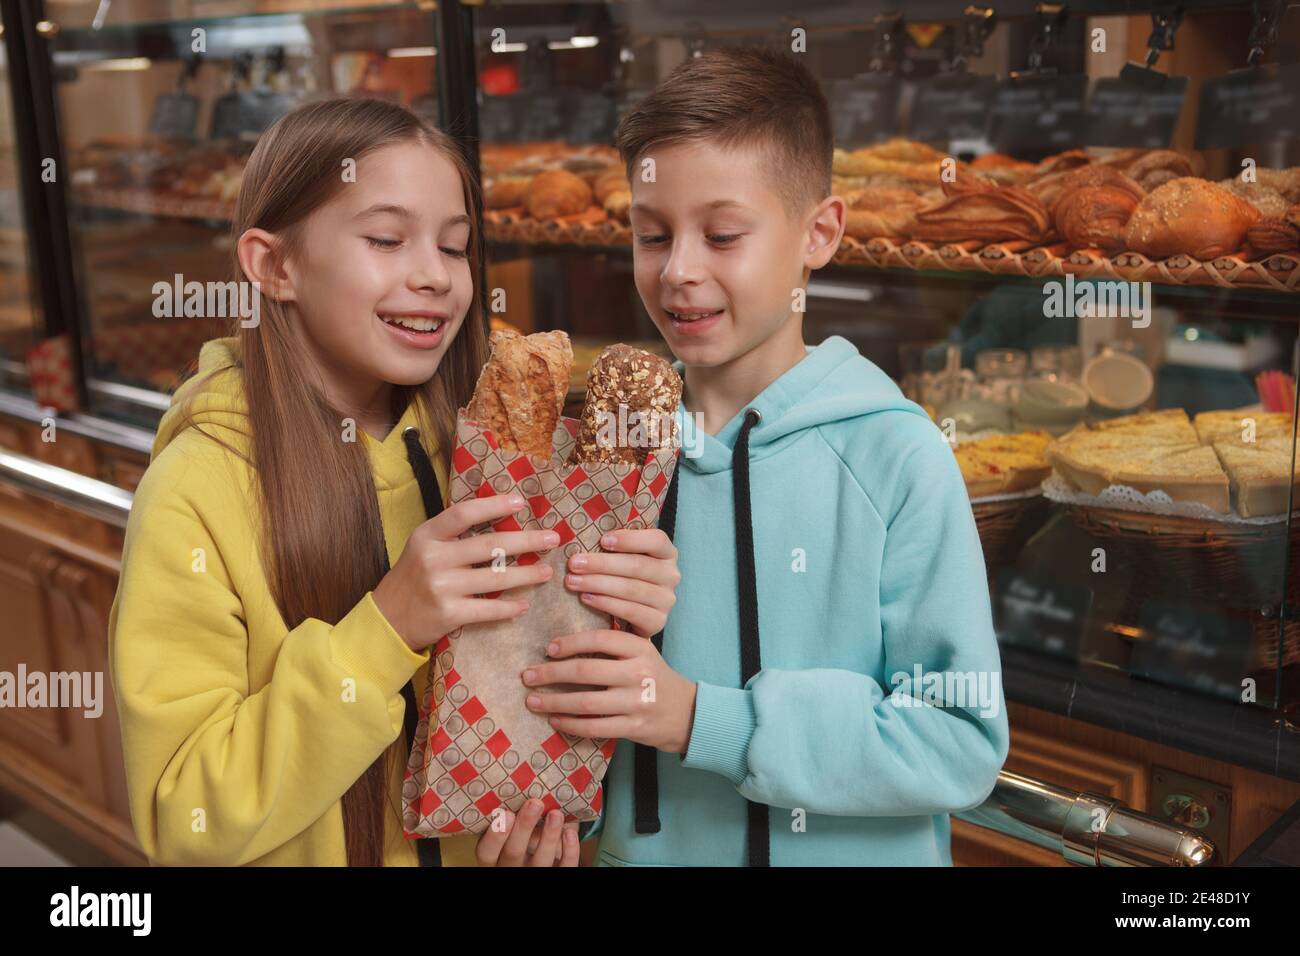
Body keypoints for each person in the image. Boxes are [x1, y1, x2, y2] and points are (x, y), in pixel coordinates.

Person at [107, 98, 679, 866]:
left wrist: (620, 602)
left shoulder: (479, 457)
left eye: (454, 248)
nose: (434, 277)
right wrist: (387, 628)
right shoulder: (198, 491)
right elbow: (185, 818)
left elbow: (514, 713)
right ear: (274, 265)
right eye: (386, 239)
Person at [521, 48, 1010, 866]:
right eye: (651, 235)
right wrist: (559, 826)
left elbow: (958, 739)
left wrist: (697, 718)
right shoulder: (610, 449)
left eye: (722, 235)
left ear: (819, 233)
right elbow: (572, 704)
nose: (679, 271)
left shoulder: (899, 456)